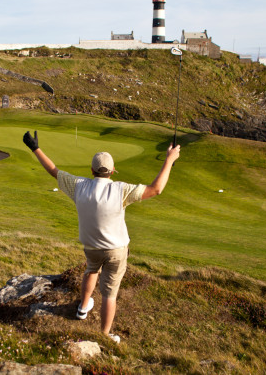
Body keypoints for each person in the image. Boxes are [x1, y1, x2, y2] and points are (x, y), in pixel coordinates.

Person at [22, 131, 180, 343]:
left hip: (91, 247)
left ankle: (83, 307)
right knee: (109, 293)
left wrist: (35, 148)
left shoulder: (79, 185)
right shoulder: (120, 189)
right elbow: (156, 189)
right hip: (116, 250)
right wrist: (169, 159)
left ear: (92, 170)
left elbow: (54, 171)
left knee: (91, 270)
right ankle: (104, 336)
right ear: (112, 171)